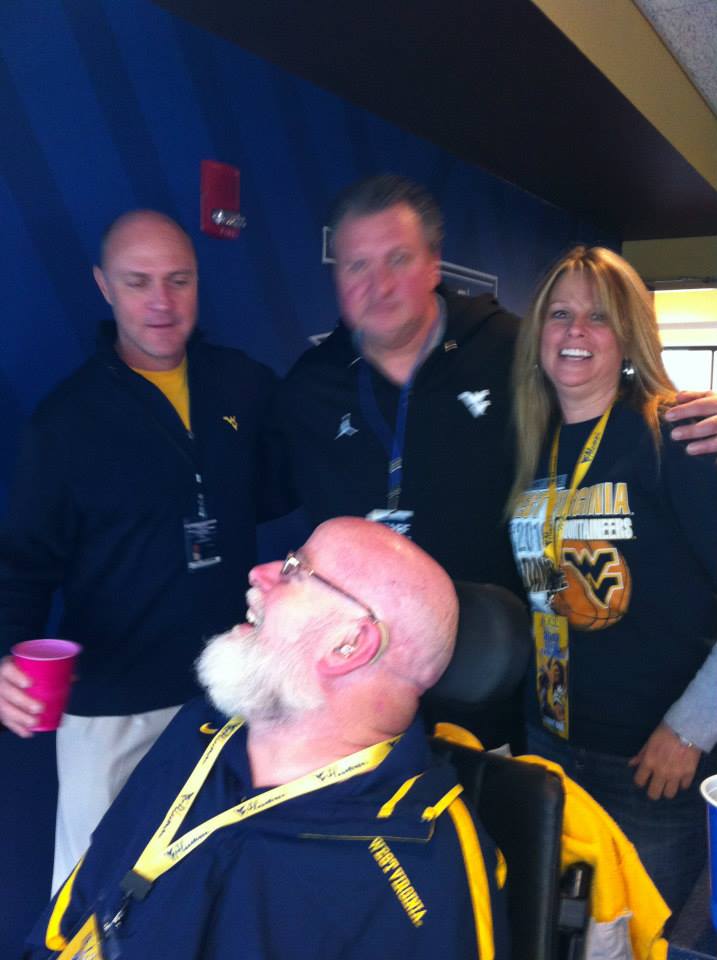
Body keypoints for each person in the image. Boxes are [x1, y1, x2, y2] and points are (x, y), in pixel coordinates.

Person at [270, 173, 717, 749]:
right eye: (357, 265)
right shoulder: (306, 388)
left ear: (434, 265)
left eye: (398, 259)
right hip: (369, 697)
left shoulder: (513, 355)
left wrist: (691, 728)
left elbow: (606, 398)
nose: (378, 284)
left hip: (501, 702)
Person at [26, 518, 509, 960]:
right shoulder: (202, 729)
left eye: (296, 570)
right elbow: (83, 896)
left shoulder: (422, 870)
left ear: (350, 645)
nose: (259, 572)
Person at [0, 211, 282, 893]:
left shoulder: (242, 383)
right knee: (92, 900)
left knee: (222, 887)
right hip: (113, 704)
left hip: (229, 692)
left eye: (178, 280)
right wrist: (4, 655)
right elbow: (22, 564)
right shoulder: (65, 419)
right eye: (138, 282)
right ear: (104, 286)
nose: (161, 301)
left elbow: (285, 486)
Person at [508, 245, 717, 918]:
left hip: (652, 761)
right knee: (561, 935)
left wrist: (692, 730)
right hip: (549, 744)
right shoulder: (530, 443)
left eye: (598, 316)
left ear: (627, 336)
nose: (575, 331)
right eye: (559, 314)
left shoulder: (676, 435)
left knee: (643, 940)